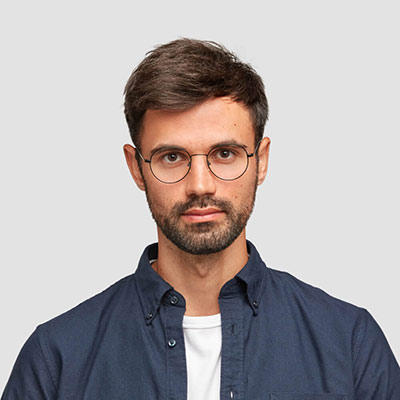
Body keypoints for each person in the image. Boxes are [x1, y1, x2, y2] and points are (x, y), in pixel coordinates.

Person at [2, 38, 399, 400]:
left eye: (225, 154)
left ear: (261, 161)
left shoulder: (350, 344)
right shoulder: (57, 360)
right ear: (136, 168)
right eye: (172, 157)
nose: (200, 185)